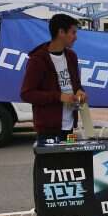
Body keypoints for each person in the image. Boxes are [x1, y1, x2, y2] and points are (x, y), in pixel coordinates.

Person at [20, 13, 87, 144]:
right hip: (48, 129)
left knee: (69, 163)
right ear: (61, 32)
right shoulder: (38, 59)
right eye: (73, 33)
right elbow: (26, 94)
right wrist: (58, 96)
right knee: (49, 163)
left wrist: (80, 91)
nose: (76, 38)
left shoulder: (71, 56)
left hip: (69, 127)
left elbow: (76, 84)